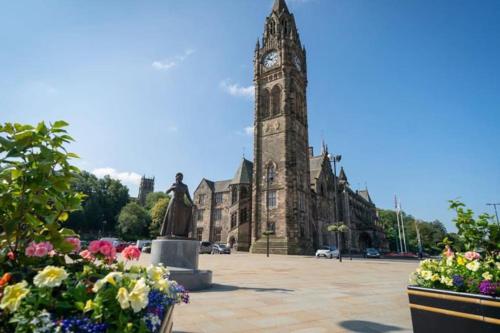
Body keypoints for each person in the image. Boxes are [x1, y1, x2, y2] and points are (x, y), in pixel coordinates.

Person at [159, 173, 195, 238]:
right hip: (173, 202)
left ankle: (180, 233)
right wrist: (171, 188)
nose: (179, 178)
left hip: (181, 204)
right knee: (171, 218)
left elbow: (188, 196)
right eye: (178, 177)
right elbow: (166, 192)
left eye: (181, 177)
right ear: (176, 177)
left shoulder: (185, 186)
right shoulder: (174, 184)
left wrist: (192, 203)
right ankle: (170, 233)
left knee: (181, 219)